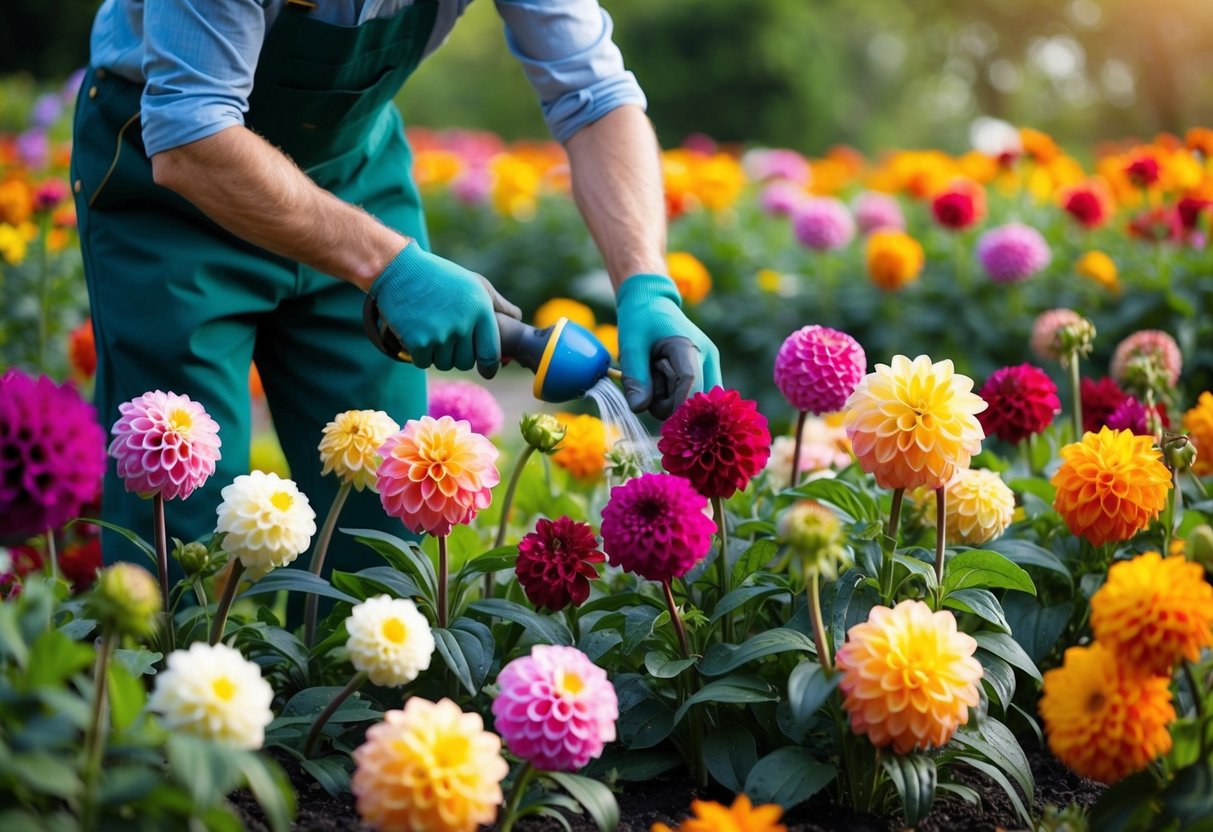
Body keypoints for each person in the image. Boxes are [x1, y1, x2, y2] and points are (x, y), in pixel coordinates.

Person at [72, 0, 722, 570]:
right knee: (183, 508)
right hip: (177, 196)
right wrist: (388, 266)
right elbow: (190, 135)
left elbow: (594, 94)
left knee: (388, 518)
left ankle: (355, 711)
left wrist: (646, 282)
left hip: (348, 165)